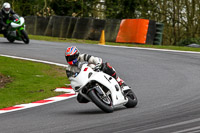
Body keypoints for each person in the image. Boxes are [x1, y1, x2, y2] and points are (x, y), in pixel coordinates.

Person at [65, 46, 129, 103]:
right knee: (80, 99)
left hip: (94, 72)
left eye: (71, 57)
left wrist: (98, 64)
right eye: (68, 58)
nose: (70, 60)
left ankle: (118, 80)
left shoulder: (83, 57)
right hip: (84, 81)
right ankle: (96, 97)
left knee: (106, 66)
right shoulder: (69, 69)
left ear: (76, 55)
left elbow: (93, 59)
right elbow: (72, 79)